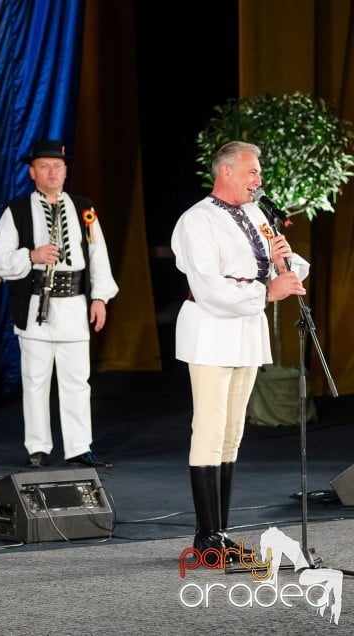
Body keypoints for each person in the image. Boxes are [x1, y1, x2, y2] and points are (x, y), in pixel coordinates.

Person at [172, 140, 308, 559]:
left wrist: (286, 264)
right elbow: (210, 286)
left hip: (247, 332)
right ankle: (206, 537)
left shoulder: (256, 214)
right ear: (226, 172)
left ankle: (220, 532)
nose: (258, 179)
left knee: (232, 433)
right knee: (210, 430)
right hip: (211, 331)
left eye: (258, 172)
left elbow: (286, 266)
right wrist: (268, 292)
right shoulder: (196, 221)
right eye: (252, 171)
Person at [0, 139, 118, 469]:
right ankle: (38, 446)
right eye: (44, 167)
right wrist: (30, 256)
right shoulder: (16, 211)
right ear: (32, 173)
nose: (52, 172)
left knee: (77, 380)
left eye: (57, 167)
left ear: (65, 171)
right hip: (35, 305)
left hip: (73, 303)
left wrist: (99, 297)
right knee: (35, 380)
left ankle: (78, 446)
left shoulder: (83, 207)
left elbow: (97, 254)